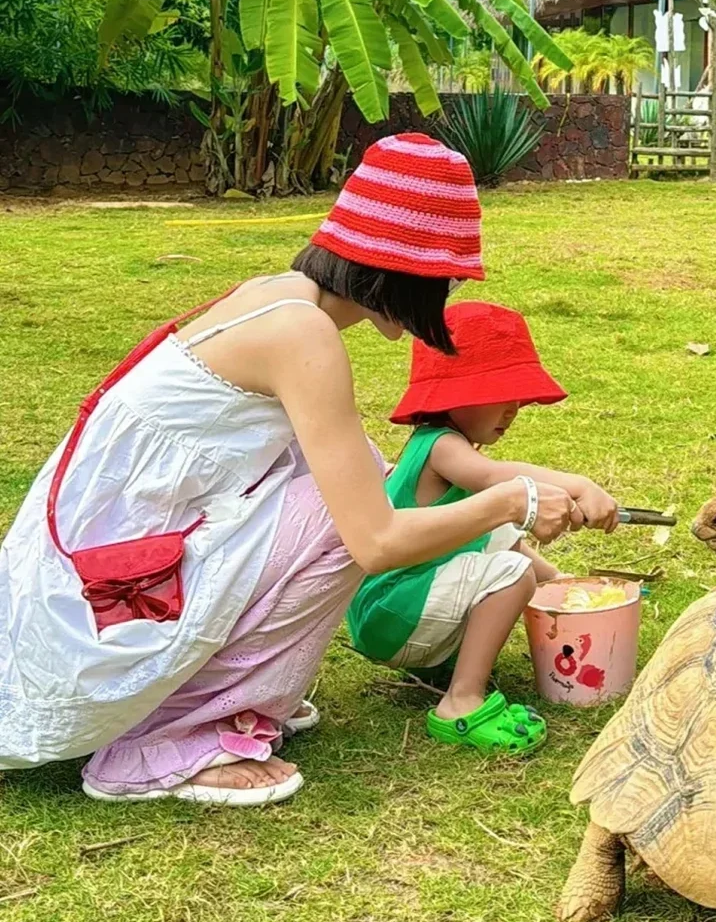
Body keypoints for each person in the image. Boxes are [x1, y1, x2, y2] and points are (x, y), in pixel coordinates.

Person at [0, 134, 582, 806]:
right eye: (445, 277)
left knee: (355, 475)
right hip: (104, 596)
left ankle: (227, 693)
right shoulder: (302, 334)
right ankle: (166, 737)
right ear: (401, 267)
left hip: (103, 564)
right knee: (343, 522)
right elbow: (376, 541)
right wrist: (511, 501)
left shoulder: (281, 296)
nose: (446, 294)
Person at [346, 301, 619, 754]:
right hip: (390, 612)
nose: (514, 409)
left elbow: (496, 534)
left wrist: (566, 589)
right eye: (501, 394)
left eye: (519, 398)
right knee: (512, 574)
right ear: (454, 394)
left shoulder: (445, 446)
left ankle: (452, 669)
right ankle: (461, 700)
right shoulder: (441, 446)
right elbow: (499, 478)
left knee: (501, 534)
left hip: (396, 610)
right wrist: (578, 484)